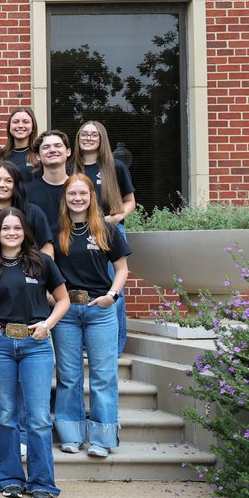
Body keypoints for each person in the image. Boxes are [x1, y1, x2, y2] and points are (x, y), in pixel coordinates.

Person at [0, 207, 69, 498]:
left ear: (25, 232)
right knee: (6, 414)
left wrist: (48, 324)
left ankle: (42, 482)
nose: (11, 233)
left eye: (16, 228)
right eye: (5, 228)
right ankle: (10, 477)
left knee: (38, 416)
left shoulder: (42, 263)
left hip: (35, 344)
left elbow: (63, 300)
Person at [52, 173, 130, 458]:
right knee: (69, 375)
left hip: (100, 310)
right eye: (71, 194)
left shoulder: (106, 229)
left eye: (82, 193)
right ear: (65, 198)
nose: (77, 198)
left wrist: (112, 295)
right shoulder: (56, 229)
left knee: (103, 375)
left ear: (91, 196)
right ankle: (71, 435)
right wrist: (52, 294)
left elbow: (122, 268)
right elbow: (46, 264)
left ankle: (102, 437)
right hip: (67, 311)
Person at [72, 120, 137, 354]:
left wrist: (117, 218)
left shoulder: (115, 167)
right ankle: (85, 344)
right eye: (84, 134)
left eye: (94, 134)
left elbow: (130, 201)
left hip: (109, 230)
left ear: (102, 139)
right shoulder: (71, 168)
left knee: (113, 288)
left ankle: (115, 346)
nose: (89, 138)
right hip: (78, 232)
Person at [0, 162, 54, 260]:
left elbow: (47, 251)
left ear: (16, 185)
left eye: (8, 181)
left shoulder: (33, 213)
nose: (1, 185)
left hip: (26, 273)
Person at [26, 129, 71, 238]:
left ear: (68, 152)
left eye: (58, 145)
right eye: (46, 147)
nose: (52, 150)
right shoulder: (26, 192)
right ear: (38, 156)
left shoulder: (82, 190)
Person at [0, 107, 41, 179]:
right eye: (15, 122)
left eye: (26, 122)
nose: (20, 125)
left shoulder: (40, 154)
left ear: (33, 127)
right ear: (9, 127)